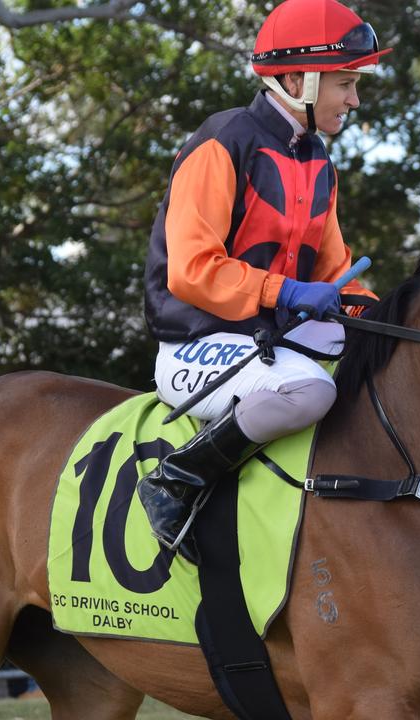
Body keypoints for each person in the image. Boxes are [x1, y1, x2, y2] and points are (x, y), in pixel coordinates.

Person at [136, 0, 385, 562]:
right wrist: (285, 292)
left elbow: (335, 274)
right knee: (313, 390)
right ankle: (175, 478)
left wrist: (376, 318)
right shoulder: (222, 141)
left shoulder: (320, 161)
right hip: (193, 345)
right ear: (299, 78)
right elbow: (190, 270)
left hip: (267, 341)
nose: (354, 99)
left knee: (381, 357)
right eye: (346, 84)